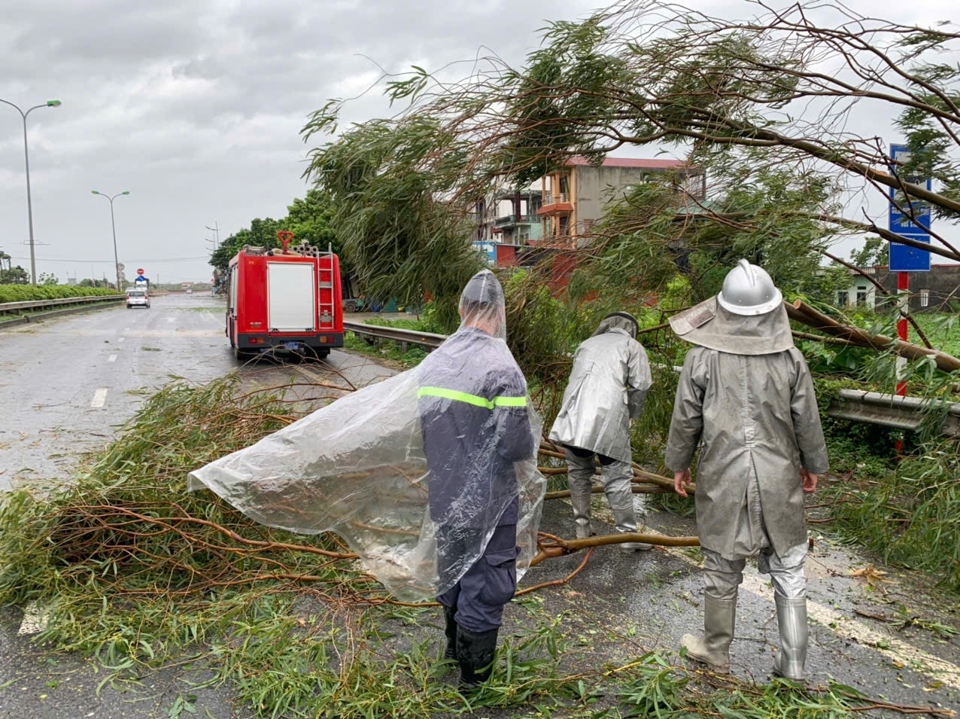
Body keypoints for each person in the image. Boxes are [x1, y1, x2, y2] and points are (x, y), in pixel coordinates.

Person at [665, 259, 829, 681]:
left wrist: (678, 465)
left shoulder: (701, 357)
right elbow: (806, 419)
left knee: (721, 564)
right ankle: (793, 663)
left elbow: (686, 419)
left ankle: (715, 648)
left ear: (724, 308)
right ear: (772, 308)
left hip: (723, 474)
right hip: (778, 476)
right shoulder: (791, 359)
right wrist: (813, 465)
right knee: (789, 565)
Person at [417, 269, 536, 688]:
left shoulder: (436, 361)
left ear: (461, 309)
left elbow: (425, 430)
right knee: (486, 581)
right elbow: (517, 445)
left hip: (444, 495)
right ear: (500, 312)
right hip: (489, 501)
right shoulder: (502, 368)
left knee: (452, 570)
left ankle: (453, 649)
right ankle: (474, 681)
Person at [549, 312, 653, 551]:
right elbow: (642, 384)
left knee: (578, 472)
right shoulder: (632, 346)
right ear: (632, 328)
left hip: (574, 414)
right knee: (616, 476)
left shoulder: (586, 343)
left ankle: (582, 530)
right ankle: (628, 537)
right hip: (608, 416)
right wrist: (632, 414)